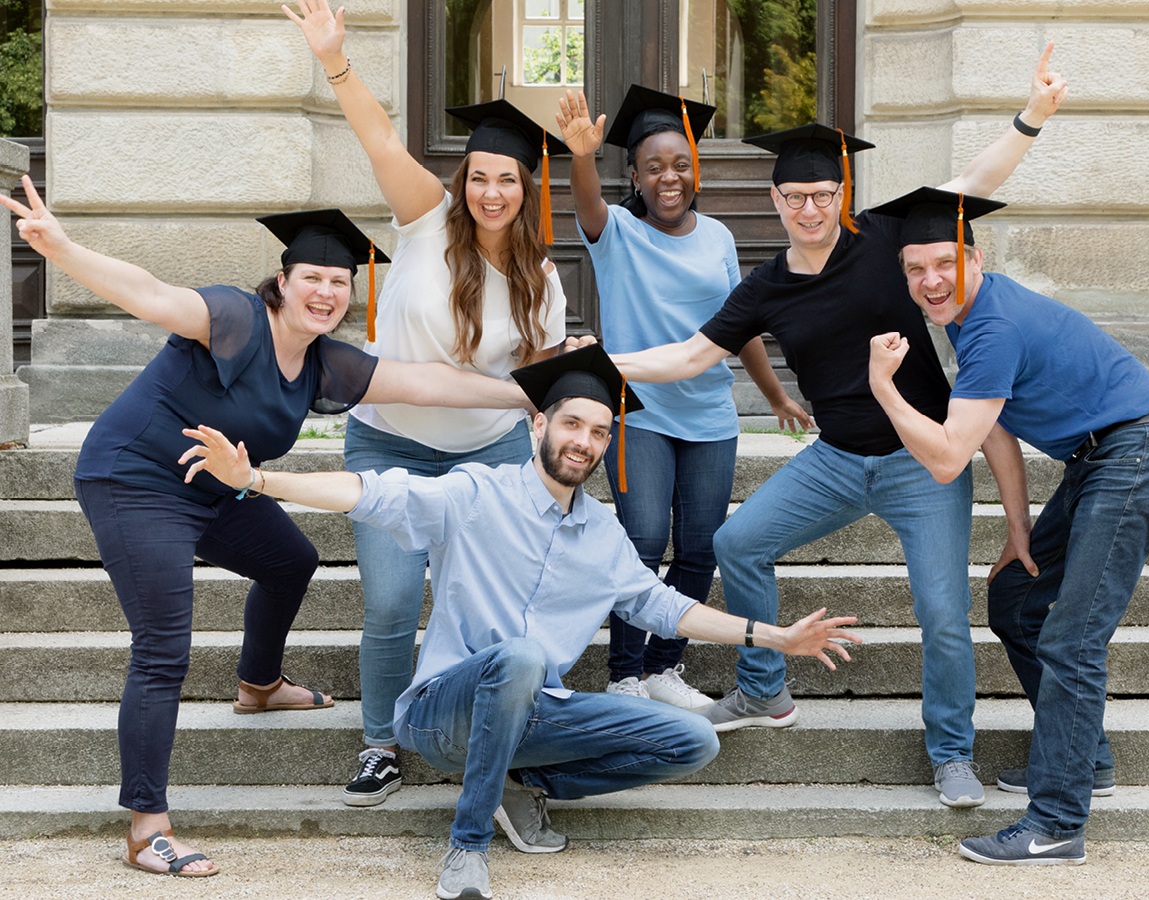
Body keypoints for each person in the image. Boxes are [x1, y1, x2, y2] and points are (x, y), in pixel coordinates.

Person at [179, 345, 862, 900]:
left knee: (692, 740)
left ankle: (519, 785)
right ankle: (467, 846)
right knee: (524, 656)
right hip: (439, 712)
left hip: (535, 714)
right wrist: (259, 481)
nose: (585, 442)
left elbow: (665, 608)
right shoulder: (476, 493)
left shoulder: (603, 533)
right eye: (572, 425)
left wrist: (775, 638)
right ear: (539, 426)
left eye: (600, 432)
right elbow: (372, 492)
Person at [1, 179, 536, 877]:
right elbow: (150, 293)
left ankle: (257, 685)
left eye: (339, 282)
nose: (326, 291)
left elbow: (429, 383)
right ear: (281, 282)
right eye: (312, 277)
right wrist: (63, 248)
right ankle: (146, 827)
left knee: (290, 560)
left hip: (215, 485)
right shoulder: (234, 315)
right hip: (134, 481)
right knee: (163, 645)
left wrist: (534, 392)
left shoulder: (323, 363)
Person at [606, 44, 1067, 809]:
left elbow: (973, 183)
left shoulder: (890, 244)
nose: (811, 208)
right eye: (797, 197)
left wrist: (1031, 117)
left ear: (840, 191)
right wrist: (599, 366)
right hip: (836, 458)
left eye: (824, 193)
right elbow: (689, 357)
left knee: (944, 612)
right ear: (777, 200)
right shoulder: (765, 288)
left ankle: (951, 751)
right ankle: (764, 689)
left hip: (923, 463)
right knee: (736, 543)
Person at [285, 0, 573, 808]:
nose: (490, 192)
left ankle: (480, 729)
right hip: (391, 447)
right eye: (479, 176)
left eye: (506, 180)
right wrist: (335, 61)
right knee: (388, 602)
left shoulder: (541, 282)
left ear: (525, 187)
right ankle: (382, 740)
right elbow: (378, 136)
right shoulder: (424, 222)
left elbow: (540, 382)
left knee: (484, 605)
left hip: (491, 457)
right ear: (465, 181)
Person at [867, 186, 1149, 865]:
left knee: (1073, 637)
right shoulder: (971, 311)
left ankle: (1056, 822)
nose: (930, 282)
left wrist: (885, 389)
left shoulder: (991, 327)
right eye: (915, 269)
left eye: (944, 264)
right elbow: (998, 431)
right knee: (1016, 600)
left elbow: (951, 455)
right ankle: (1083, 758)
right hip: (1099, 459)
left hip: (1135, 456)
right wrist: (1019, 528)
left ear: (974, 259)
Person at [555, 84, 808, 710]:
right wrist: (581, 155)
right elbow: (586, 205)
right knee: (640, 542)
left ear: (696, 169)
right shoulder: (614, 233)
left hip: (709, 413)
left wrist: (775, 393)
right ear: (636, 178)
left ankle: (665, 668)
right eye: (654, 168)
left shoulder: (719, 237)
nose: (670, 178)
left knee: (699, 546)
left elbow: (737, 323)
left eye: (681, 164)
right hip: (637, 411)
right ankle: (624, 673)